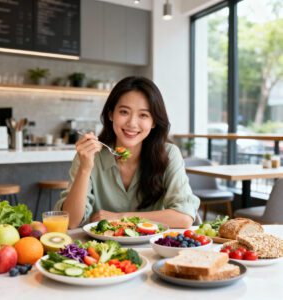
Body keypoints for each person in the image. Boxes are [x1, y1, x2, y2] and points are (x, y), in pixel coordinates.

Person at [54, 76, 200, 229]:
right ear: (111, 114)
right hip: (98, 249)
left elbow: (184, 218)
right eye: (124, 112)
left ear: (154, 122)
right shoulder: (90, 155)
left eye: (143, 115)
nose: (132, 123)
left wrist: (121, 217)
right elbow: (71, 222)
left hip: (155, 248)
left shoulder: (169, 154)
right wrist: (84, 169)